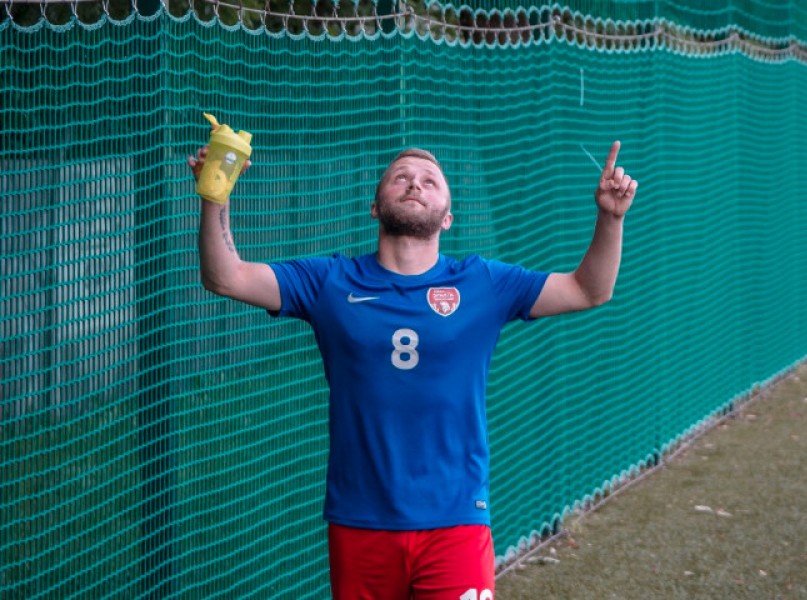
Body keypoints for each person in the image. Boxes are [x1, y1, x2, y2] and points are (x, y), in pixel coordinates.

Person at [188, 138, 637, 600]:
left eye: (429, 181)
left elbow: (588, 290)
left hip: (456, 519)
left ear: (447, 217)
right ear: (375, 208)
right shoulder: (329, 281)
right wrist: (215, 194)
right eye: (400, 177)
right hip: (360, 521)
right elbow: (226, 277)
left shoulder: (482, 282)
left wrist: (611, 218)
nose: (414, 185)